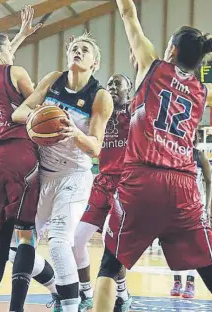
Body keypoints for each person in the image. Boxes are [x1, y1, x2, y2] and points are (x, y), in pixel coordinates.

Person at [94, 0, 212, 312]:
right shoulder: (205, 89)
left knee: (110, 264)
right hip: (184, 185)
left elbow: (128, 14)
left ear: (170, 50)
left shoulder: (151, 66)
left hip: (142, 179)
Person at [13, 33, 114, 312]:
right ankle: (60, 291)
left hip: (74, 175)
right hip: (43, 175)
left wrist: (73, 132)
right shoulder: (53, 80)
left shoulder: (100, 96)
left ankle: (70, 305)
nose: (77, 52)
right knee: (16, 252)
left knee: (59, 243)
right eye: (74, 48)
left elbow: (95, 147)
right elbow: (20, 112)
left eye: (84, 50)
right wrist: (37, 117)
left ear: (95, 63)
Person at [0, 6, 58, 312]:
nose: (13, 53)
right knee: (26, 239)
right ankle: (16, 309)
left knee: (0, 242)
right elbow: (36, 107)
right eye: (10, 48)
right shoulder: (16, 73)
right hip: (15, 153)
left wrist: (19, 35)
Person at [72, 73, 132, 312]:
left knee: (112, 241)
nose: (112, 87)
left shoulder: (135, 113)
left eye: (118, 83)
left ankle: (122, 294)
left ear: (129, 88)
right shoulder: (98, 114)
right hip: (101, 182)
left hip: (126, 185)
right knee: (76, 240)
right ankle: (85, 293)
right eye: (109, 84)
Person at [170, 136, 212, 299]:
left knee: (192, 246)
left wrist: (207, 207)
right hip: (174, 206)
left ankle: (190, 283)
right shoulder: (172, 153)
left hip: (195, 206)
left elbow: (209, 182)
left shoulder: (199, 156)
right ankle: (176, 281)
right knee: (174, 246)